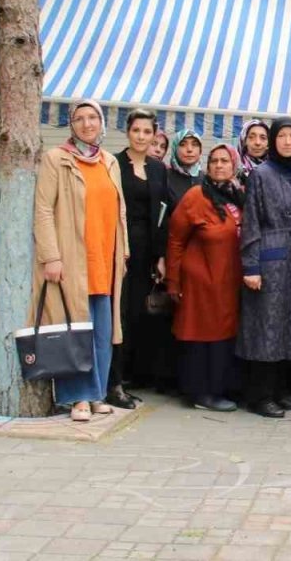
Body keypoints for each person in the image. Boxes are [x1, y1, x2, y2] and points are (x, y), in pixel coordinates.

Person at [30, 100, 128, 422]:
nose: (87, 124)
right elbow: (43, 209)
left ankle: (97, 393)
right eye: (80, 119)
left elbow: (119, 211)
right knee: (74, 332)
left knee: (102, 332)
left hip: (104, 260)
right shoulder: (56, 159)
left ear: (101, 123)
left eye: (92, 118)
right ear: (71, 125)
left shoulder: (110, 162)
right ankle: (77, 399)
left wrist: (123, 252)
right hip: (71, 261)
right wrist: (51, 256)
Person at [239, 120, 291, 418]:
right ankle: (259, 395)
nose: (287, 141)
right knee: (265, 328)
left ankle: (280, 389)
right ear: (272, 141)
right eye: (281, 136)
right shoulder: (260, 174)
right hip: (269, 257)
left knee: (288, 325)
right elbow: (252, 221)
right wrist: (251, 265)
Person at [167, 144, 244, 412]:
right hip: (201, 279)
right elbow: (176, 240)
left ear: (234, 166)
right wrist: (174, 282)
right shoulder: (195, 196)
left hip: (229, 280)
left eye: (225, 161)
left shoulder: (238, 195)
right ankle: (201, 393)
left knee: (223, 337)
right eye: (214, 161)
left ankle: (221, 388)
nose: (219, 165)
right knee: (202, 337)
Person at [112, 110, 171, 404]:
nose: (141, 137)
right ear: (128, 132)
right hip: (119, 248)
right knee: (119, 314)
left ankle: (138, 374)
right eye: (136, 130)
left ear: (154, 135)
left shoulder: (159, 169)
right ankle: (116, 379)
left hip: (148, 250)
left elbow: (163, 214)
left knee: (141, 313)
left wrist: (160, 256)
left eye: (147, 132)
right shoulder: (113, 163)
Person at [167, 130, 204, 205]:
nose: (189, 149)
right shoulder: (164, 177)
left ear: (200, 150)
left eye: (195, 144)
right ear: (175, 148)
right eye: (183, 144)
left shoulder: (206, 180)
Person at [237, 119, 270, 185]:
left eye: (263, 138)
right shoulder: (234, 173)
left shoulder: (277, 172)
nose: (257, 142)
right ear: (244, 141)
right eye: (251, 137)